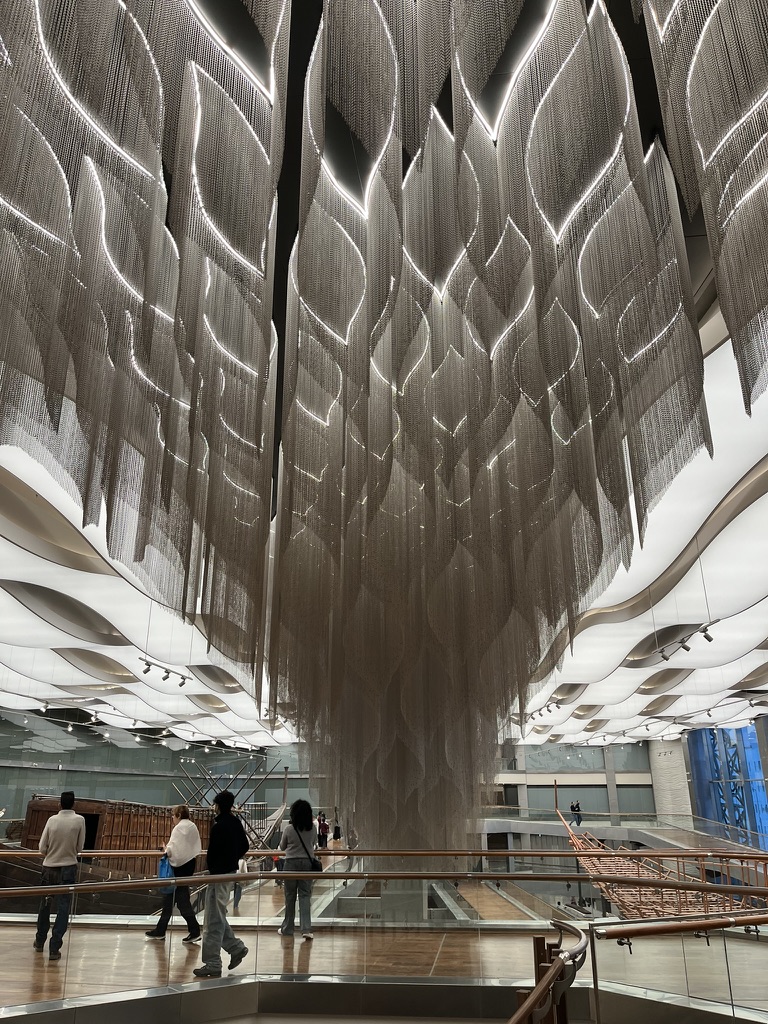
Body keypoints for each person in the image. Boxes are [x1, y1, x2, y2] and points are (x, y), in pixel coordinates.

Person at [193, 790, 249, 978]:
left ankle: (213, 963)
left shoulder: (218, 827)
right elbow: (245, 846)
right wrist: (233, 858)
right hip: (229, 873)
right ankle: (236, 948)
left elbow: (212, 854)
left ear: (218, 805)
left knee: (213, 919)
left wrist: (215, 867)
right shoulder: (235, 823)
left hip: (217, 875)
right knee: (216, 915)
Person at [34, 791, 85, 961]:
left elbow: (42, 848)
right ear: (74, 804)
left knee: (45, 905)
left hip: (49, 868)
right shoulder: (80, 820)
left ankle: (39, 941)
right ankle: (54, 948)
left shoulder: (52, 820)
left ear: (59, 804)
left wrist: (51, 853)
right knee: (63, 908)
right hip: (68, 868)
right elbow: (79, 848)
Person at [146, 805, 202, 942]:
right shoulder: (192, 826)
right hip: (189, 865)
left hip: (178, 869)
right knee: (170, 900)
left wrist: (165, 848)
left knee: (180, 900)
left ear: (178, 815)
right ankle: (161, 930)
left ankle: (194, 931)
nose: (172, 818)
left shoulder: (178, 828)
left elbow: (172, 850)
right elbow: (191, 847)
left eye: (173, 815)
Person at [278, 798, 317, 940]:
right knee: (305, 895)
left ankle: (288, 928)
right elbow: (314, 843)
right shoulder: (313, 829)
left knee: (290, 896)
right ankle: (306, 929)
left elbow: (282, 847)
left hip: (290, 864)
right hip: (307, 864)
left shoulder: (289, 829)